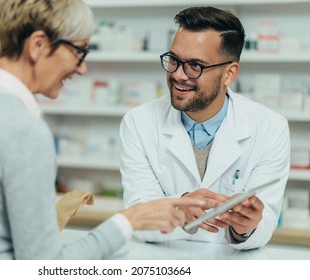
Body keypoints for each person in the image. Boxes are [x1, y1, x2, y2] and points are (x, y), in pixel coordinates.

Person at [0, 0, 210, 260]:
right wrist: (129, 220)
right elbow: (43, 265)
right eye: (79, 51)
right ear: (38, 46)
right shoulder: (24, 131)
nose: (82, 69)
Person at [120, 6, 290, 250]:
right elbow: (138, 215)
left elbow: (267, 220)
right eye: (174, 60)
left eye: (195, 66)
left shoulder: (270, 127)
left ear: (229, 74)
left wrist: (248, 226)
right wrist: (180, 207)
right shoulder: (138, 122)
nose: (178, 75)